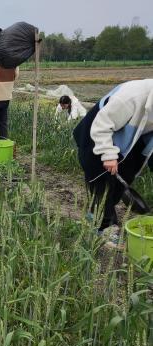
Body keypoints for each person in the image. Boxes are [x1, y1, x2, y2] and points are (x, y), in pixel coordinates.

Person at [73, 79, 153, 234]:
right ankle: (104, 227)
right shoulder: (131, 97)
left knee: (123, 178)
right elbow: (101, 125)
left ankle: (95, 213)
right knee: (101, 181)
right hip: (96, 135)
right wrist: (108, 155)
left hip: (128, 137)